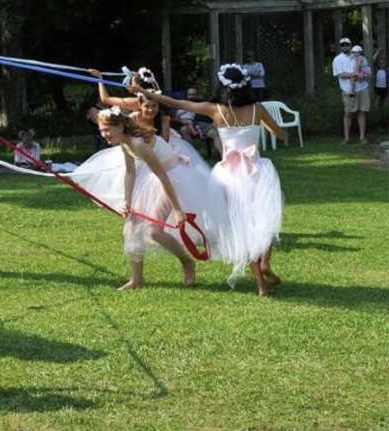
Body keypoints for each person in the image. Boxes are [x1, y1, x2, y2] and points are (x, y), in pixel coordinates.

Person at [140, 65, 286, 295]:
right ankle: (265, 263)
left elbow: (178, 103)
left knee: (241, 224)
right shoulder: (258, 109)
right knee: (264, 219)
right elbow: (281, 134)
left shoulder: (215, 110)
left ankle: (261, 285)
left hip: (228, 175)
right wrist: (264, 124)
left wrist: (146, 93)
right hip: (257, 170)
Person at [70, 105, 227, 291]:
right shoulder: (124, 143)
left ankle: (187, 262)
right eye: (101, 130)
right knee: (131, 227)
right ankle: (137, 278)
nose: (104, 134)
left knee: (153, 232)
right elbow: (130, 172)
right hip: (157, 180)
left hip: (173, 179)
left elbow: (163, 175)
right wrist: (126, 202)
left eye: (107, 129)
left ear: (119, 127)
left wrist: (178, 210)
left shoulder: (138, 144)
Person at [332, 38, 369, 144]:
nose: (345, 46)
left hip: (362, 88)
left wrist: (363, 75)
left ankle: (362, 138)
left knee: (362, 113)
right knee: (348, 114)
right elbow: (341, 75)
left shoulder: (359, 56)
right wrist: (354, 74)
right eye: (342, 44)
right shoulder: (337, 59)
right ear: (340, 46)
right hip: (348, 89)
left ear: (350, 45)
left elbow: (366, 70)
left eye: (347, 44)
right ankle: (347, 138)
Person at [373, 47, 387, 118]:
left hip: (385, 88)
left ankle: (383, 114)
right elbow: (373, 60)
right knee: (377, 101)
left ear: (385, 64)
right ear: (379, 64)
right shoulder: (376, 69)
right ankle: (375, 114)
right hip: (377, 87)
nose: (382, 64)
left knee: (384, 102)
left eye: (383, 63)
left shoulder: (387, 70)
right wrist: (378, 51)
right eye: (380, 63)